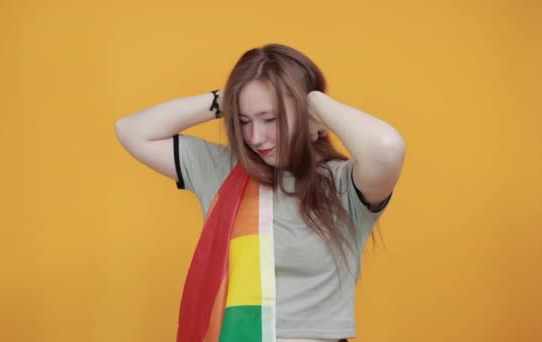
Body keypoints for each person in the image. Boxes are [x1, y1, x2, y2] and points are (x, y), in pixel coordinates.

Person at [115, 43, 406, 342]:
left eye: (270, 119)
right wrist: (223, 99)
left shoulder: (343, 184)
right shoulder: (221, 170)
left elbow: (387, 147)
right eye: (243, 121)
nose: (255, 136)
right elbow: (131, 131)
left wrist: (316, 103)